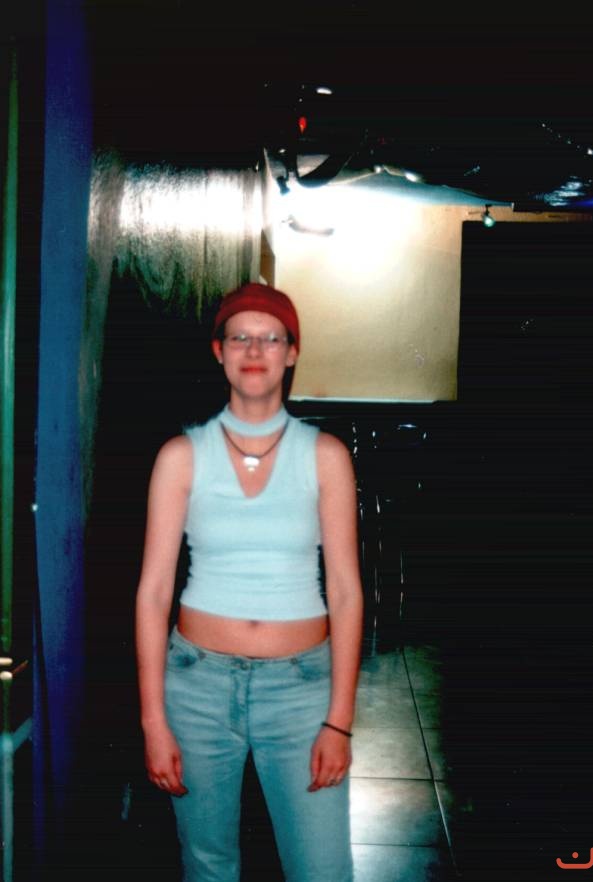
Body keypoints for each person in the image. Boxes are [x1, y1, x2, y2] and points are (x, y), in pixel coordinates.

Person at [135, 282, 363, 881]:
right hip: (197, 688)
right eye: (240, 337)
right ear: (219, 351)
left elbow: (345, 592)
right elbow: (153, 593)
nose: (255, 350)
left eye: (271, 338)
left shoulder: (325, 456)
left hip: (302, 693)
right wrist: (154, 721)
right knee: (208, 866)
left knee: (322, 869)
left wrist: (339, 719)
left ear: (292, 352)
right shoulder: (181, 456)